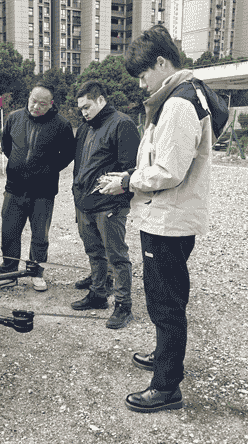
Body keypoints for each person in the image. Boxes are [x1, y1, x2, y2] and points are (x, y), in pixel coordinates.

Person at [102, 24, 225, 412]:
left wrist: (127, 181)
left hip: (168, 220)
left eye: (142, 75)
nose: (141, 85)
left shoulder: (178, 104)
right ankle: (163, 356)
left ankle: (166, 387)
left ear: (160, 63)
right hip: (170, 216)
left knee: (166, 303)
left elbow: (169, 171)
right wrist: (132, 177)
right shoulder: (185, 94)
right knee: (165, 297)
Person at [0, 82, 75, 292]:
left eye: (42, 104)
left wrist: (48, 169)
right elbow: (6, 146)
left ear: (51, 104)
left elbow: (68, 154)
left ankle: (35, 273)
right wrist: (19, 165)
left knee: (40, 236)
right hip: (14, 188)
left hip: (44, 192)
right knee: (9, 233)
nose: (36, 106)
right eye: (33, 101)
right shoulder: (14, 118)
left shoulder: (61, 125)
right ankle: (8, 273)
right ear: (29, 97)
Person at [70, 80, 140, 330]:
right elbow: (80, 165)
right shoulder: (85, 128)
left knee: (117, 257)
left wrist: (119, 201)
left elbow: (132, 169)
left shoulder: (123, 124)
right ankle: (99, 293)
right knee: (94, 253)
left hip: (110, 205)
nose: (84, 112)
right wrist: (77, 194)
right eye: (81, 109)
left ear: (101, 100)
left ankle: (123, 305)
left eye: (87, 107)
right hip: (85, 203)